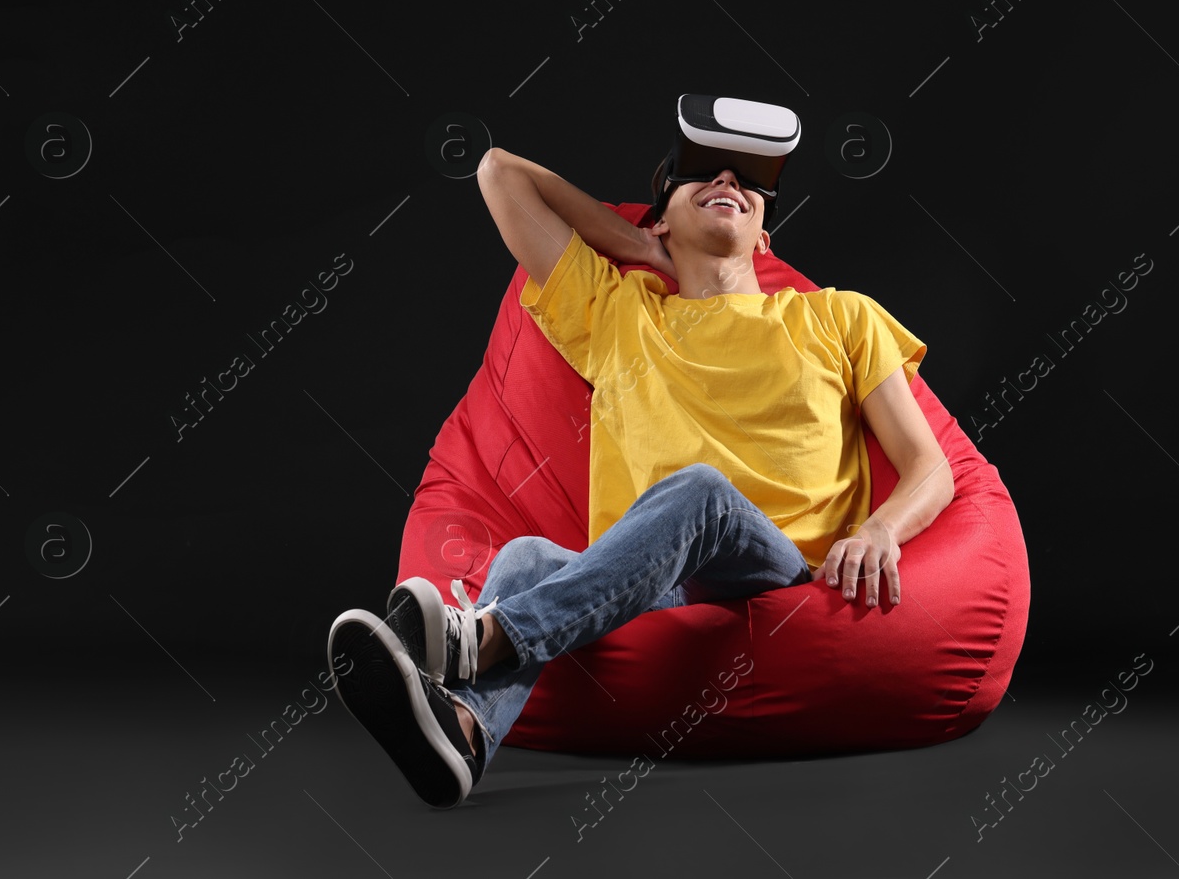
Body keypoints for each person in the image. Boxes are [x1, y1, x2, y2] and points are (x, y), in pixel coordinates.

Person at [327, 117, 954, 810]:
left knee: (702, 492)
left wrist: (879, 531)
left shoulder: (840, 317)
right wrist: (639, 248)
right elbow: (498, 172)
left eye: (749, 183)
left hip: (781, 572)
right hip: (651, 575)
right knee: (530, 557)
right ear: (662, 218)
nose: (729, 181)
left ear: (765, 234)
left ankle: (483, 636)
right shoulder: (620, 311)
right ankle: (462, 737)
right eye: (706, 173)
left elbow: (932, 465)